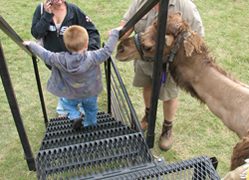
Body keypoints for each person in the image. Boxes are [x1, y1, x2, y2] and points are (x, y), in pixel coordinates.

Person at [108, 0, 204, 151]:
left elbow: (198, 37)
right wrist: (118, 32)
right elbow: (127, 24)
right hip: (145, 58)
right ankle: (147, 116)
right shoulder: (140, 2)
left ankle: (167, 128)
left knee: (169, 95)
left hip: (169, 65)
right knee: (147, 87)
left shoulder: (184, 6)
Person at [24, 25, 121, 129]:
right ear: (86, 44)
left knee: (67, 103)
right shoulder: (94, 57)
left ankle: (75, 116)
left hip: (70, 94)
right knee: (91, 110)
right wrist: (115, 32)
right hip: (90, 93)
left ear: (66, 45)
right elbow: (108, 50)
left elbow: (46, 55)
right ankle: (90, 126)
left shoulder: (59, 59)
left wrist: (32, 44)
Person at [31, 0, 101, 118]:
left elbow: (93, 31)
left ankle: (84, 108)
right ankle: (63, 108)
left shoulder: (73, 10)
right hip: (56, 61)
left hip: (75, 61)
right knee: (61, 82)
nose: (59, 2)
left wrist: (87, 53)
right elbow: (36, 33)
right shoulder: (41, 10)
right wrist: (47, 16)